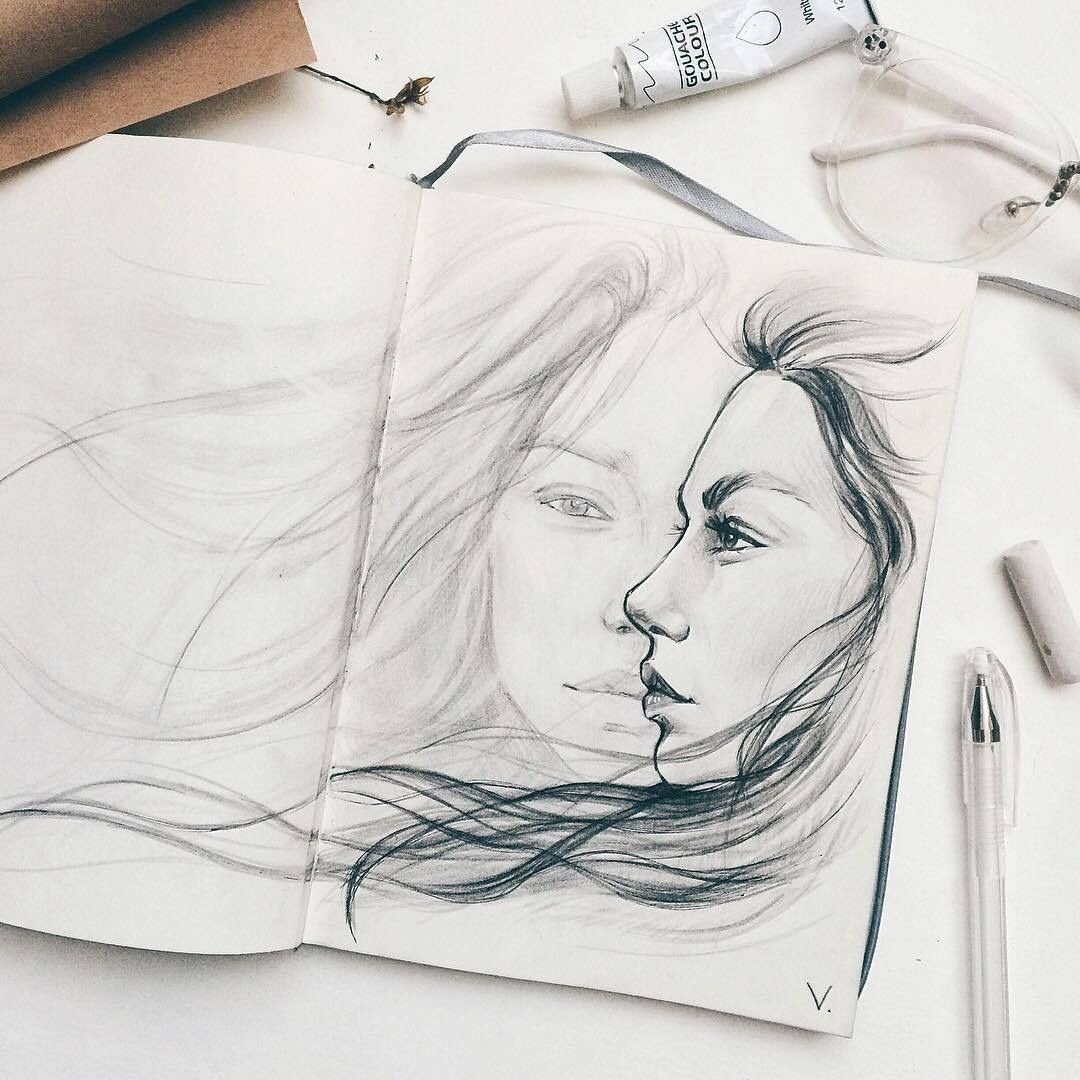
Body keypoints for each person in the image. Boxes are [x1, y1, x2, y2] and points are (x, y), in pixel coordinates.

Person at [328, 278, 948, 928]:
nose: (643, 599)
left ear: (887, 577)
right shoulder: (425, 858)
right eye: (578, 505)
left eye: (731, 534)